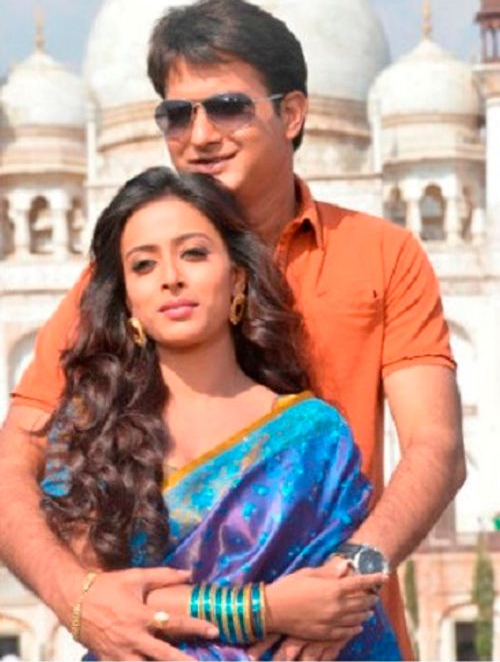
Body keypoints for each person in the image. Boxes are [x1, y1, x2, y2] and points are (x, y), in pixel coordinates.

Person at [0, 0, 465, 661]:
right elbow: (13, 462)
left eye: (227, 107)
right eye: (176, 114)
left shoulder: (379, 254)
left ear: (292, 114)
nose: (200, 135)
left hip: (339, 634)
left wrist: (350, 574)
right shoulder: (116, 284)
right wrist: (74, 596)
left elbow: (436, 446)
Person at [40, 165, 399, 661]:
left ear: (237, 279)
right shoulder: (91, 429)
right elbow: (98, 598)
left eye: (194, 253)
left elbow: (335, 601)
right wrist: (265, 609)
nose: (171, 278)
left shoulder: (313, 436)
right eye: (143, 265)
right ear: (127, 303)